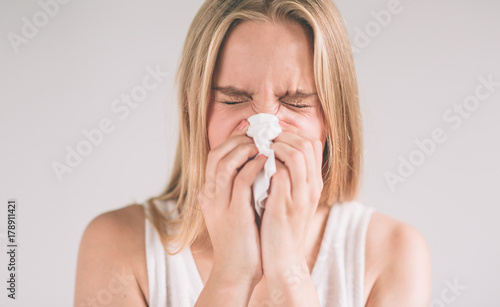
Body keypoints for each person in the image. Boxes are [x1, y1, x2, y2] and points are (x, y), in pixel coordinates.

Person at [74, 0, 431, 306]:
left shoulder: (392, 253)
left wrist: (289, 271)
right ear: (196, 112)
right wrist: (232, 274)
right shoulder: (118, 244)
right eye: (234, 99)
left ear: (332, 120)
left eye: (296, 102)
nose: (264, 127)